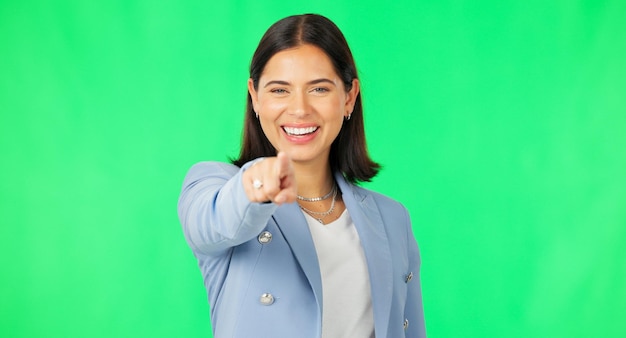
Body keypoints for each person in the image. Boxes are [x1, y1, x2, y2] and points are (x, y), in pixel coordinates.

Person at [178, 13, 426, 338]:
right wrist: (255, 185)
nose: (299, 109)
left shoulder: (393, 218)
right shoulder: (216, 186)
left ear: (349, 97)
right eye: (280, 90)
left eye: (319, 89)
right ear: (255, 96)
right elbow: (211, 223)